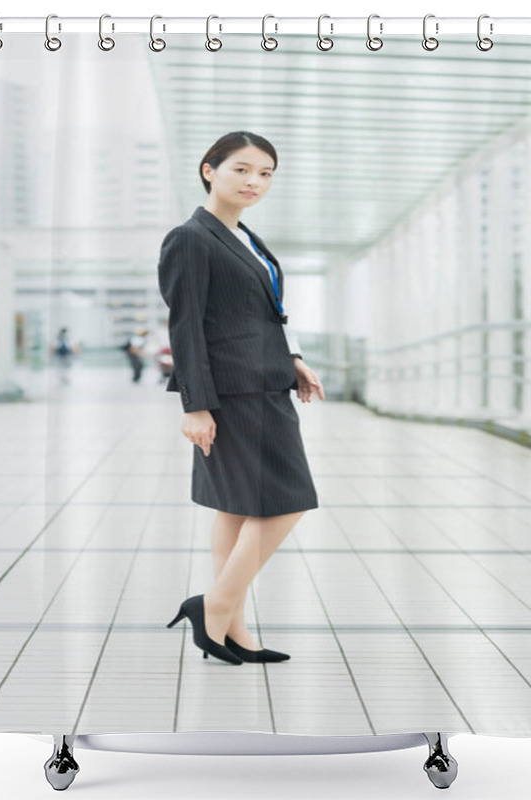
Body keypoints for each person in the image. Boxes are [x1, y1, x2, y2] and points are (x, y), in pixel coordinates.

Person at [160, 131, 325, 665]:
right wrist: (194, 403)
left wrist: (292, 359)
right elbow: (185, 326)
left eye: (265, 173)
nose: (255, 181)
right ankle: (212, 605)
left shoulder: (245, 237)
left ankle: (233, 629)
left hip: (265, 381)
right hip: (234, 394)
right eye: (242, 170)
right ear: (209, 170)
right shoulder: (191, 238)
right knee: (288, 500)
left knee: (235, 510)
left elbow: (265, 314)